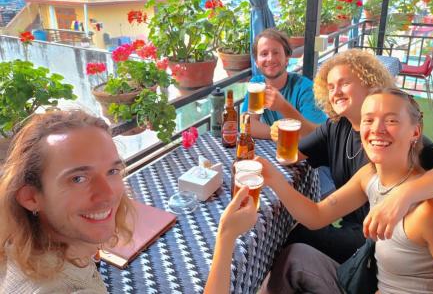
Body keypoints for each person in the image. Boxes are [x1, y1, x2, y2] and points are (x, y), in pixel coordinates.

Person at [0, 110, 257, 293]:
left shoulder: (23, 245)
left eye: (112, 171)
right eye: (78, 178)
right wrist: (226, 236)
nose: (108, 194)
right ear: (31, 197)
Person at [260, 87, 433, 294]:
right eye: (369, 120)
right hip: (371, 282)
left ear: (416, 131)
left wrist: (403, 195)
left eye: (392, 120)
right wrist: (273, 178)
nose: (377, 129)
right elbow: (317, 216)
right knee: (295, 256)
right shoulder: (370, 176)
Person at [270, 49, 433, 264]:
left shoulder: (396, 137)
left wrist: (403, 195)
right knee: (294, 229)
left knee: (293, 236)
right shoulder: (336, 127)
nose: (336, 92)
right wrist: (281, 136)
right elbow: (294, 156)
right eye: (330, 87)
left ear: (370, 83)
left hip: (385, 241)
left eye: (344, 83)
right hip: (353, 228)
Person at [241, 28, 327, 139]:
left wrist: (282, 106)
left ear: (287, 58)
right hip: (278, 149)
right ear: (257, 62)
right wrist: (278, 133)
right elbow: (247, 124)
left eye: (276, 53)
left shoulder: (305, 88)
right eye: (264, 54)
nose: (270, 58)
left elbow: (317, 135)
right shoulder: (257, 84)